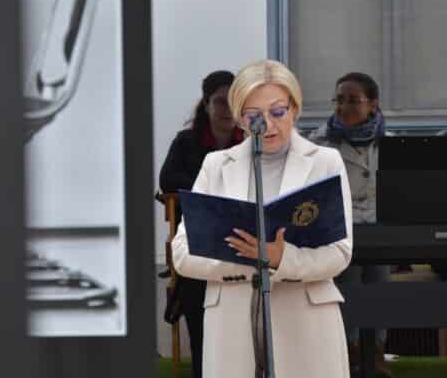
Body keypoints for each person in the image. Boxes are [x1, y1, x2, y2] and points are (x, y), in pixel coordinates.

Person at [172, 60, 353, 378]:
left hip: (305, 319)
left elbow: (340, 253)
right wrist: (251, 258)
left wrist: (282, 258)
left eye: (278, 112)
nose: (267, 125)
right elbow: (182, 254)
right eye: (254, 115)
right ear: (239, 117)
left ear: (294, 108)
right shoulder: (216, 165)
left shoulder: (325, 162)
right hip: (232, 321)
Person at [159, 70, 245, 378]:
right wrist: (211, 187)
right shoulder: (186, 142)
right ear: (206, 104)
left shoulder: (250, 142)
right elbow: (168, 180)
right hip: (199, 242)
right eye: (221, 102)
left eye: (234, 102)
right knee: (202, 330)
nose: (228, 110)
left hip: (241, 243)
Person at [309, 72, 391, 378]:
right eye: (339, 100)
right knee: (349, 283)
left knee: (380, 282)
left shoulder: (390, 143)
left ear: (373, 105)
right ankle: (350, 353)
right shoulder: (319, 144)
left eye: (353, 101)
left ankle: (376, 353)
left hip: (381, 229)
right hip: (339, 229)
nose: (343, 107)